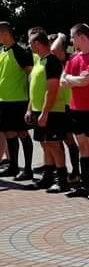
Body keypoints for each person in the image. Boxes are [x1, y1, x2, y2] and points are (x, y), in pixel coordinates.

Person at [60, 24, 89, 198]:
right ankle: (85, 185)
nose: (72, 41)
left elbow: (84, 82)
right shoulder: (74, 57)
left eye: (73, 37)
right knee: (83, 149)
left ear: (81, 36)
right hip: (76, 109)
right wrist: (75, 79)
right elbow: (62, 81)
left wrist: (71, 79)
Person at [25, 28, 68, 192]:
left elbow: (52, 89)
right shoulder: (39, 61)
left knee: (54, 145)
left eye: (30, 43)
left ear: (37, 43)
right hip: (38, 110)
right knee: (45, 144)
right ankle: (47, 178)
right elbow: (34, 89)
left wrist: (45, 112)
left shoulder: (52, 61)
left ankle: (62, 181)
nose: (29, 46)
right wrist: (30, 109)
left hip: (52, 111)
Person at [0, 22, 34, 181]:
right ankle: (13, 167)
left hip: (18, 101)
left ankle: (28, 170)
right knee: (9, 133)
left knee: (22, 133)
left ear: (6, 33)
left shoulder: (20, 51)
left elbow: (30, 76)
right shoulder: (2, 51)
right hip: (4, 101)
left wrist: (30, 102)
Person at [51, 32, 81, 183]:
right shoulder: (53, 62)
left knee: (70, 140)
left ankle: (76, 172)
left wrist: (60, 36)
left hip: (69, 105)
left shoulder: (70, 58)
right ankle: (64, 170)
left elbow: (55, 50)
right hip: (58, 106)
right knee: (60, 140)